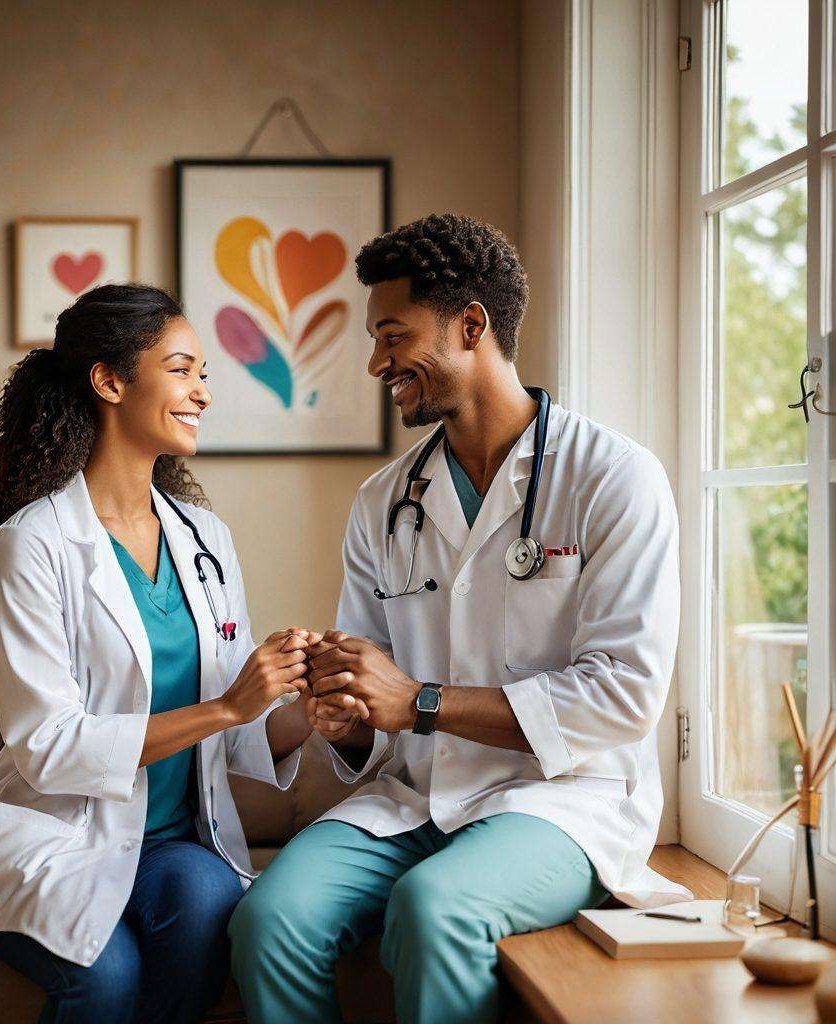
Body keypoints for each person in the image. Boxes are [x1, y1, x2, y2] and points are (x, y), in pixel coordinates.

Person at [230, 214, 689, 1024]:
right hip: (415, 798)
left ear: (470, 325)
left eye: (392, 335)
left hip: (560, 801)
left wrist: (419, 702)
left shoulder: (616, 478)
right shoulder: (384, 501)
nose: (376, 362)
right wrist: (347, 716)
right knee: (270, 921)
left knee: (435, 909)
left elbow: (623, 695)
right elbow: (376, 697)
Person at [0, 284, 327, 1024]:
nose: (202, 391)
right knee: (106, 978)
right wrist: (228, 703)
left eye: (204, 374)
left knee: (206, 904)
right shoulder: (33, 544)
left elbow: (230, 733)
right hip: (56, 839)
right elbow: (49, 747)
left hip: (173, 846)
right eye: (182, 369)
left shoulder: (206, 540)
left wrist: (304, 707)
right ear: (109, 381)